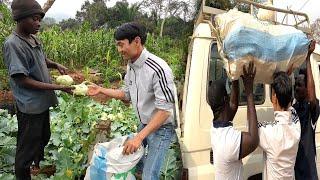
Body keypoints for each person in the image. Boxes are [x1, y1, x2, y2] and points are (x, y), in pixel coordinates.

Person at [87, 22, 176, 180]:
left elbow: (165, 111)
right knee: (136, 166)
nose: (119, 50)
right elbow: (126, 94)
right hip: (144, 124)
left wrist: (139, 137)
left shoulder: (158, 69)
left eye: (121, 45)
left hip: (161, 128)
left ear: (136, 41)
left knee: (150, 175)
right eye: (117, 45)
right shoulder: (131, 66)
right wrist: (101, 90)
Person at [3, 0, 73, 179]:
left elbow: (42, 59)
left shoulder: (32, 38)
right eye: (34, 19)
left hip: (41, 103)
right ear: (20, 19)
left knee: (43, 136)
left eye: (40, 19)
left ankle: (36, 165)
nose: (38, 23)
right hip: (30, 106)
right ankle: (23, 173)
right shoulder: (13, 44)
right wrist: (58, 87)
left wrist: (55, 64)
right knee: (26, 149)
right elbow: (22, 79)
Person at [209, 62, 259, 180]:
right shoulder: (228, 141)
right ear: (225, 99)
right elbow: (253, 140)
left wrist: (235, 77)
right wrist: (249, 92)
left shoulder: (216, 128)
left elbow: (232, 105)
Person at [258, 71, 300, 180]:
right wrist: (285, 80)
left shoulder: (269, 132)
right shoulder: (296, 126)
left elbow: (251, 127)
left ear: (274, 98)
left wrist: (248, 90)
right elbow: (291, 108)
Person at [293, 40, 319, 180]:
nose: (296, 88)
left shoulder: (311, 109)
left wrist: (308, 58)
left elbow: (312, 95)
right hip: (295, 168)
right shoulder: (292, 109)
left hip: (309, 170)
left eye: (300, 85)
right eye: (295, 84)